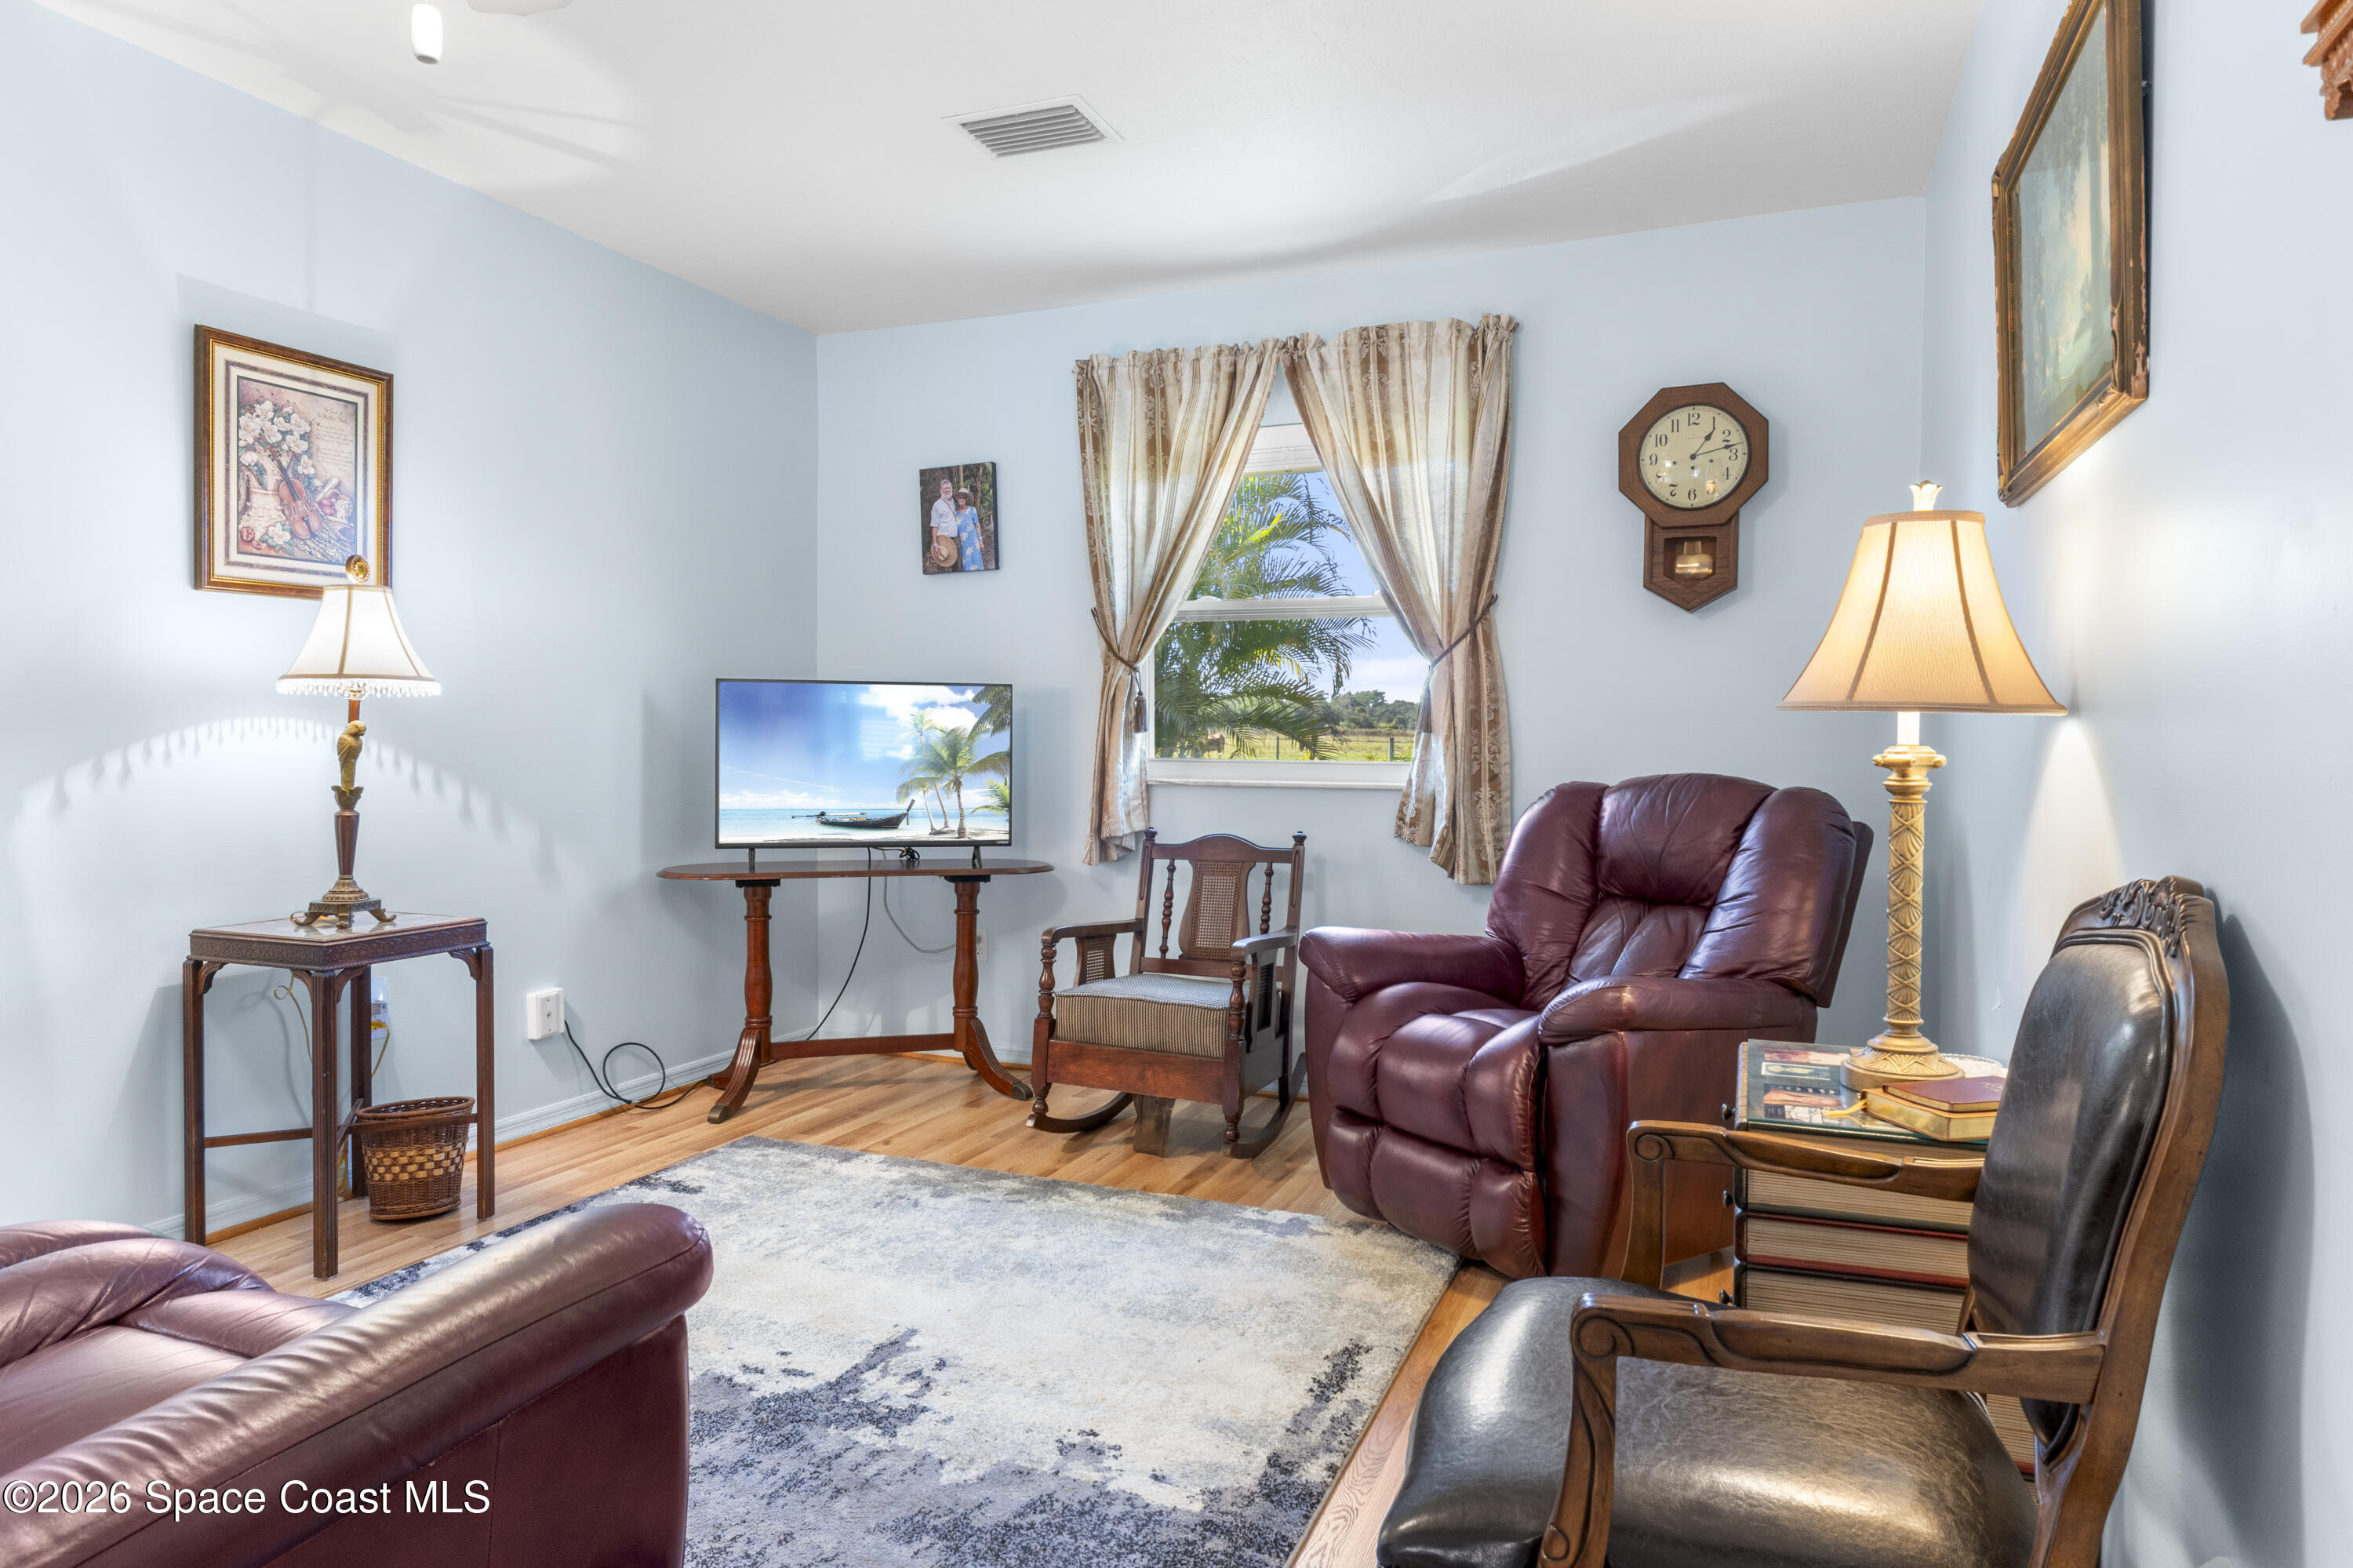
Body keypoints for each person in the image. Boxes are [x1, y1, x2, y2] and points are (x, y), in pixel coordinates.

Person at [929, 477, 960, 569]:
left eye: (948, 488)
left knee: (958, 569)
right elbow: (934, 526)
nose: (947, 490)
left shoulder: (955, 502)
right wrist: (935, 544)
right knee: (944, 571)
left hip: (956, 540)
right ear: (941, 491)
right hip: (942, 542)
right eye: (944, 489)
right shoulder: (937, 505)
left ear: (952, 489)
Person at [955, 489, 986, 572]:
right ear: (957, 499)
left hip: (974, 543)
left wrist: (981, 541)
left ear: (966, 499)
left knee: (977, 564)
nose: (961, 500)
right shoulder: (955, 513)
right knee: (967, 567)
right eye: (959, 498)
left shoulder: (972, 510)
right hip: (963, 545)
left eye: (963, 498)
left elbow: (977, 526)